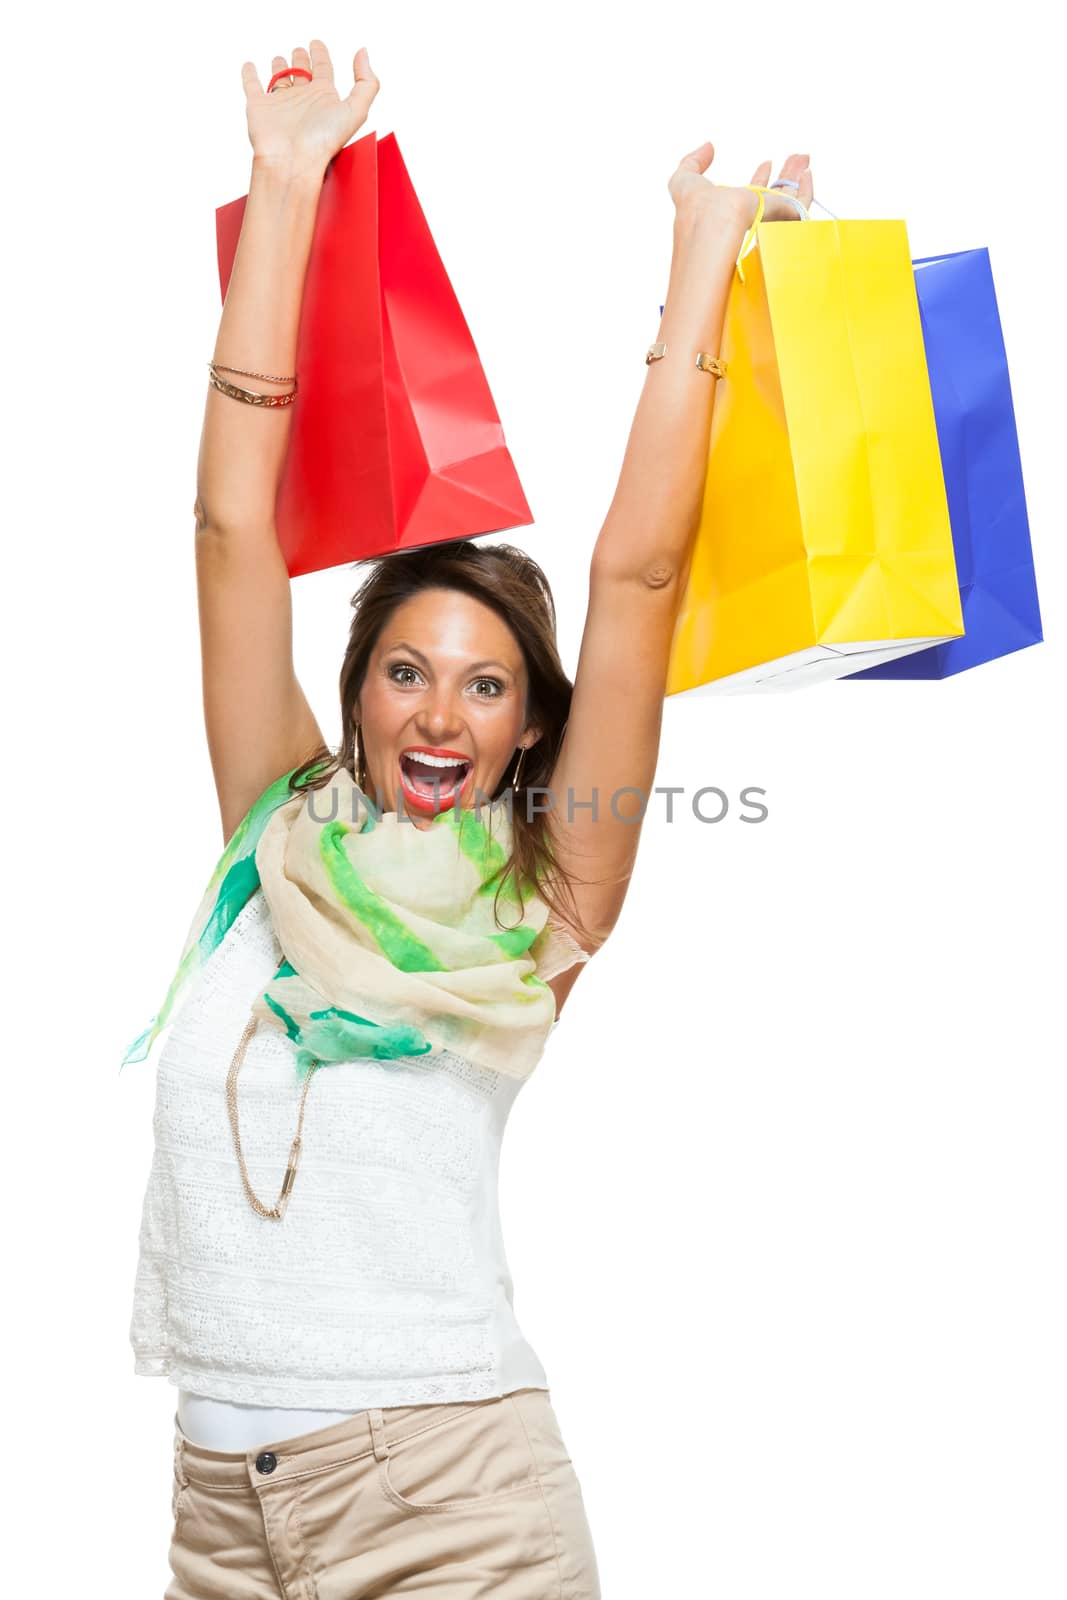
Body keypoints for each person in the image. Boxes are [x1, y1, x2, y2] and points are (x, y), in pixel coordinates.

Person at [126, 36, 814, 1600]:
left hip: (455, 1510)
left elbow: (636, 584)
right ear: (355, 694)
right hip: (222, 1523)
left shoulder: (543, 899)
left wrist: (701, 256)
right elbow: (233, 522)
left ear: (531, 731)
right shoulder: (274, 833)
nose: (442, 714)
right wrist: (287, 176)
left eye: (490, 688)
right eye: (409, 674)